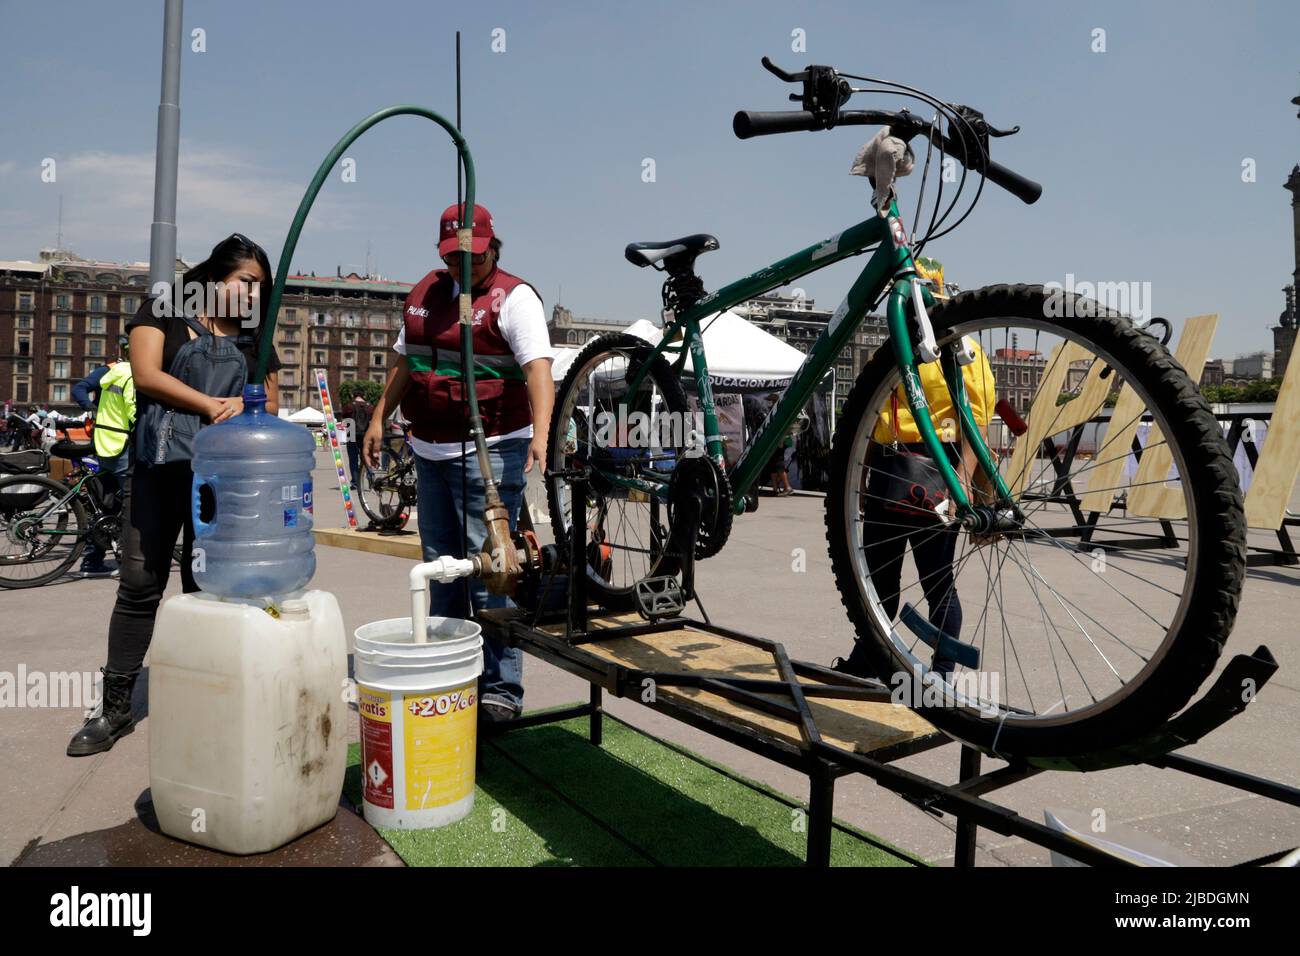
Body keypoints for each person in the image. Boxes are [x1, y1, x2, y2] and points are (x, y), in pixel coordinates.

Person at [67, 233, 283, 756]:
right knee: (141, 583)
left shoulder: (255, 332)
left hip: (222, 480)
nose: (253, 297)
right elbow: (145, 375)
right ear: (214, 277)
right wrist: (213, 404)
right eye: (246, 284)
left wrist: (244, 404)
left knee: (207, 586)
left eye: (260, 289)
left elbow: (272, 402)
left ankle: (205, 696)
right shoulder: (161, 310)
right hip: (159, 469)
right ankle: (115, 706)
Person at [364, 203, 552, 724]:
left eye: (469, 258)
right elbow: (406, 362)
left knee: (491, 570)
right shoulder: (425, 293)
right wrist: (380, 416)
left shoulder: (515, 299)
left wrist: (542, 433)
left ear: (493, 246)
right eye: (451, 259)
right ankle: (451, 675)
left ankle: (501, 690)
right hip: (429, 449)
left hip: (492, 449)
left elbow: (539, 369)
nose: (459, 268)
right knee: (442, 568)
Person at [832, 343, 996, 680]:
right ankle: (869, 658)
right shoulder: (893, 346)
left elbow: (975, 421)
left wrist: (962, 480)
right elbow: (872, 419)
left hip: (938, 467)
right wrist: (861, 478)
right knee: (876, 582)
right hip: (887, 466)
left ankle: (943, 670)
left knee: (937, 582)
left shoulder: (963, 346)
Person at [71, 336, 134, 577]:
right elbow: (79, 387)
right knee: (131, 502)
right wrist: (90, 408)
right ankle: (130, 561)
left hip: (105, 440)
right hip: (119, 440)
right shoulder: (115, 371)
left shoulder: (113, 371)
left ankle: (91, 561)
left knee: (107, 502)